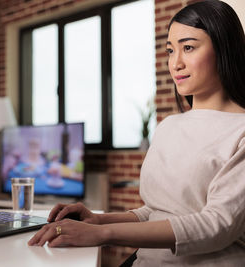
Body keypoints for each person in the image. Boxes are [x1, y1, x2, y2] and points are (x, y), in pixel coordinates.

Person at [28, 0, 245, 266]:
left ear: (225, 49)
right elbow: (156, 211)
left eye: (188, 47)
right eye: (170, 50)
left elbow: (218, 225)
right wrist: (99, 219)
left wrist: (102, 233)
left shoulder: (239, 132)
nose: (175, 63)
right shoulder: (168, 127)